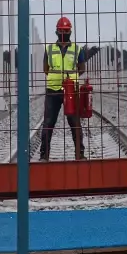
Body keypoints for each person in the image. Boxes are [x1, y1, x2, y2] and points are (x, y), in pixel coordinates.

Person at [40, 17, 86, 161]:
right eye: (62, 30)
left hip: (71, 90)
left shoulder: (77, 49)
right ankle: (44, 155)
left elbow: (82, 68)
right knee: (48, 123)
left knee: (75, 123)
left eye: (66, 31)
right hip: (53, 90)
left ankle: (80, 154)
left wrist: (69, 80)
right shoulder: (50, 49)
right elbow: (45, 69)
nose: (64, 33)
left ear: (70, 31)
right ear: (57, 31)